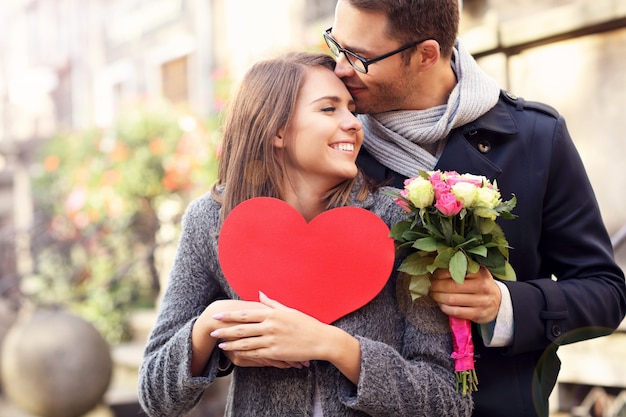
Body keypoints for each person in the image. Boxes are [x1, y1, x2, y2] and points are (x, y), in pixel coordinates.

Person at [324, 1, 626, 416]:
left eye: (359, 57)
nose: (340, 68)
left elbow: (605, 292)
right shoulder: (328, 146)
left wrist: (503, 305)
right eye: (335, 45)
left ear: (427, 54)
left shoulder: (537, 137)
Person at [137, 52, 473, 417]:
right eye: (329, 109)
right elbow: (154, 396)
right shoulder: (211, 221)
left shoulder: (401, 221)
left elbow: (449, 400)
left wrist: (335, 346)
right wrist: (208, 327)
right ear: (277, 130)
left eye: (350, 109)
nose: (354, 123)